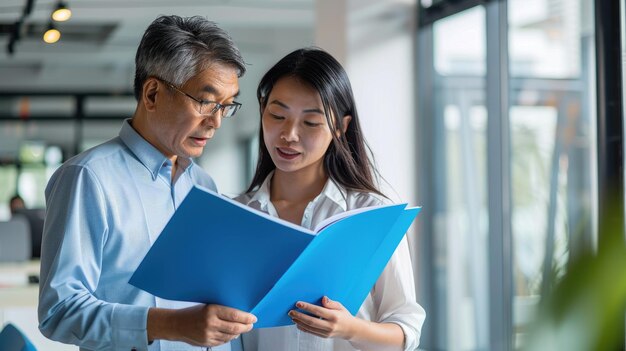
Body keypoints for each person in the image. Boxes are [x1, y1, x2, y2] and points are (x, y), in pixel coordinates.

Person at [38, 15, 256, 351]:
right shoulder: (88, 178)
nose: (215, 122)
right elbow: (58, 310)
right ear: (152, 93)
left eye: (226, 107)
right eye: (205, 101)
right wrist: (171, 325)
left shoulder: (204, 186)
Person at [236, 47, 426, 351]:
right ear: (262, 111)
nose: (289, 134)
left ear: (340, 127)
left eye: (310, 122)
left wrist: (350, 329)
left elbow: (406, 329)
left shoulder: (371, 215)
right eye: (277, 115)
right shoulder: (237, 215)